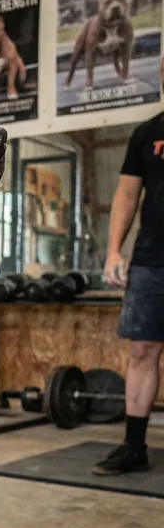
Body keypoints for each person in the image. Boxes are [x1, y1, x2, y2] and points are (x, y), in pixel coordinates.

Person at [94, 79, 164, 475]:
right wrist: (114, 251)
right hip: (153, 260)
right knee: (142, 352)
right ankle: (134, 447)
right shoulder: (148, 133)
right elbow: (125, 195)